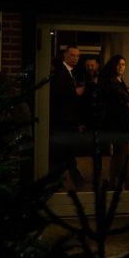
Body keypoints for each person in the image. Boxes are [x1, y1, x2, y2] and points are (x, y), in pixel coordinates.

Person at [49, 44, 86, 188]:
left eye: (77, 56)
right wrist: (76, 93)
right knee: (64, 150)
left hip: (68, 119)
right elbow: (60, 95)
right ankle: (70, 178)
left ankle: (67, 178)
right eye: (72, 55)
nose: (75, 58)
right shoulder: (61, 72)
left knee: (65, 150)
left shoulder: (71, 72)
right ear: (65, 55)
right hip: (62, 119)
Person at [97, 55, 129, 188]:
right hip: (117, 122)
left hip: (120, 120)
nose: (121, 67)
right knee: (122, 152)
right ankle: (125, 181)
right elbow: (127, 98)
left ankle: (114, 181)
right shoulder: (112, 81)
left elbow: (127, 97)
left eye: (123, 64)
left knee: (119, 153)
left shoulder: (117, 80)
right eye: (119, 64)